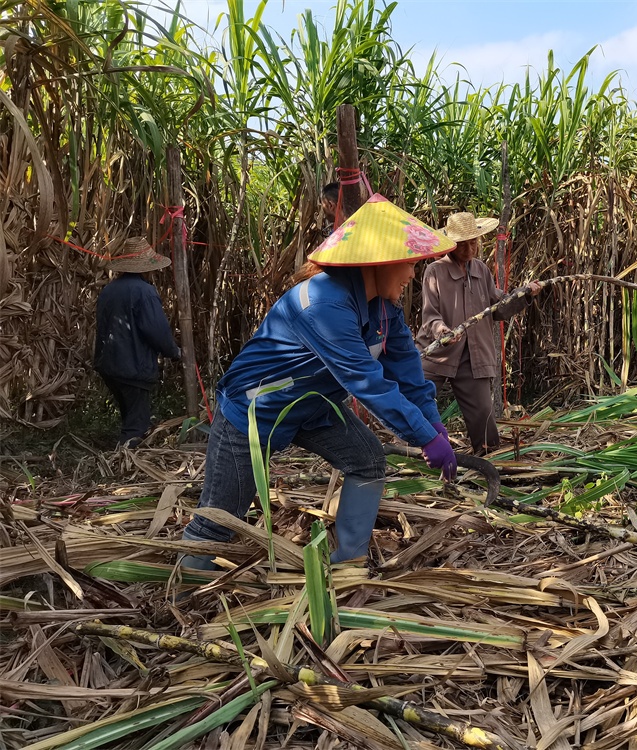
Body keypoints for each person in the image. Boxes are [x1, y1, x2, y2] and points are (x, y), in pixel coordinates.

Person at [180, 195, 458, 569]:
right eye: (409, 264)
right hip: (253, 412)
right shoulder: (324, 305)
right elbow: (367, 382)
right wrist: (423, 437)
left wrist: (433, 423)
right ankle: (185, 600)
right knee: (220, 520)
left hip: (313, 406)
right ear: (380, 262)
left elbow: (407, 371)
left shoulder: (384, 310)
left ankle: (347, 566)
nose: (412, 275)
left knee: (367, 460)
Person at [415, 212, 541, 455]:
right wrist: (442, 331)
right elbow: (430, 315)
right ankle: (415, 455)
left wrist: (524, 294)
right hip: (436, 353)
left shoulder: (481, 270)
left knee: (483, 414)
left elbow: (498, 307)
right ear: (451, 243)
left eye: (474, 242)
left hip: (473, 355)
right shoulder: (435, 272)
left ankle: (488, 459)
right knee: (417, 402)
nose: (470, 248)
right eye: (463, 243)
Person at [94, 237, 181, 447]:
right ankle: (126, 467)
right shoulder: (145, 292)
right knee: (136, 425)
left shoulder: (109, 290)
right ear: (146, 268)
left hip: (109, 366)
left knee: (129, 415)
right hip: (133, 368)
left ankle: (120, 457)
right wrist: (174, 352)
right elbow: (156, 331)